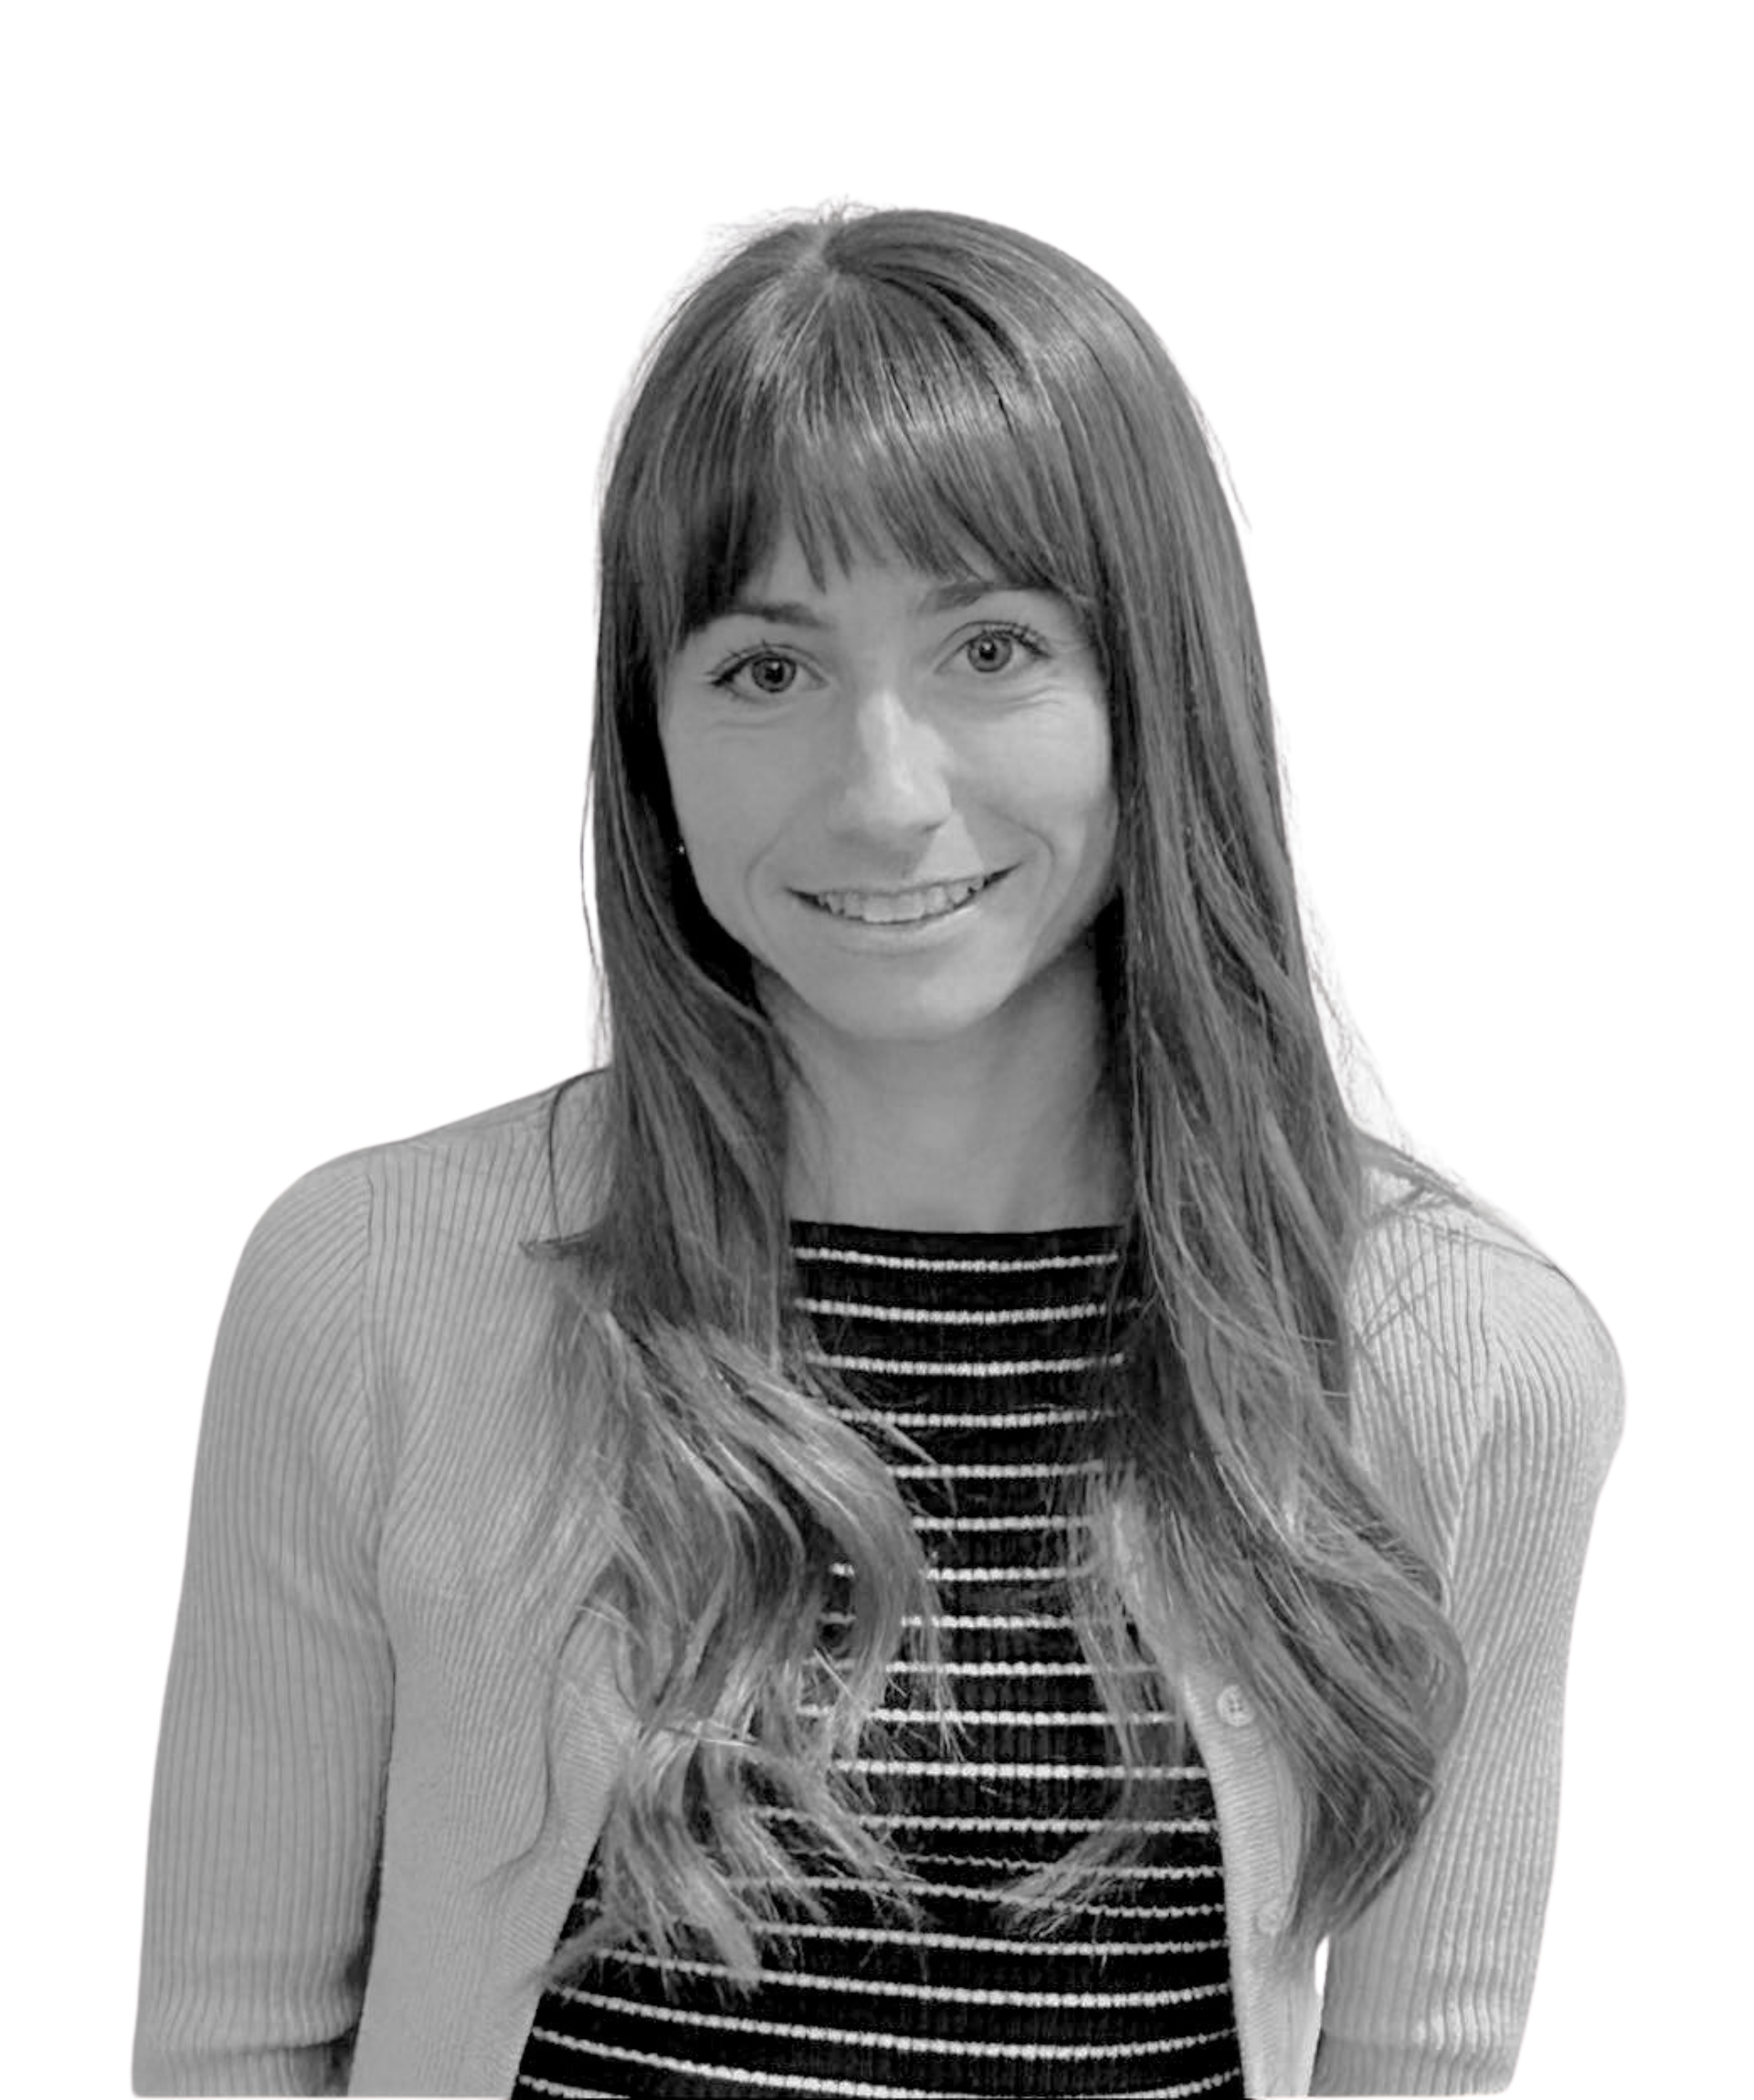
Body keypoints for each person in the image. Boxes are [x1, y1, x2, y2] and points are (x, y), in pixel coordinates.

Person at [131, 196, 1627, 2099]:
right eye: (768, 667)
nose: (885, 788)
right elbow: (237, 2038)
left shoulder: (1469, 1356)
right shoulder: (370, 1276)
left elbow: (1422, 2055)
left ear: (1155, 691)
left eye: (995, 644)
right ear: (649, 740)